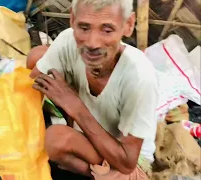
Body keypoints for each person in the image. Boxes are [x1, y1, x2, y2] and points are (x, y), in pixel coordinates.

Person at [27, 0, 159, 179]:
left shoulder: (140, 77)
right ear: (72, 20)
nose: (92, 43)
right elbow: (34, 80)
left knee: (56, 139)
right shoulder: (68, 40)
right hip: (89, 137)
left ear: (128, 25)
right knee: (36, 57)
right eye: (84, 28)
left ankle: (97, 175)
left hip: (128, 163)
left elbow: (127, 163)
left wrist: (74, 105)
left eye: (107, 30)